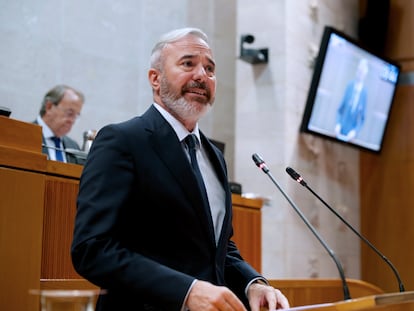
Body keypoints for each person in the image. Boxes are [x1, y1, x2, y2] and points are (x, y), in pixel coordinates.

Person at [71, 27, 290, 311]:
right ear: (155, 78)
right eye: (188, 64)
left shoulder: (214, 156)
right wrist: (186, 291)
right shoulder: (123, 141)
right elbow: (92, 249)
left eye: (210, 69)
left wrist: (253, 284)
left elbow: (218, 249)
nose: (202, 75)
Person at [34, 84, 84, 163]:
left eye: (76, 116)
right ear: (49, 107)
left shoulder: (74, 146)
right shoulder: (25, 136)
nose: (72, 121)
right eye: (70, 113)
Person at [334, 58, 369, 142]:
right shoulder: (350, 86)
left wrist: (355, 132)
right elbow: (340, 110)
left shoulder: (364, 93)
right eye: (359, 70)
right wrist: (338, 124)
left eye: (362, 71)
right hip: (340, 131)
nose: (360, 73)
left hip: (351, 137)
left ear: (365, 74)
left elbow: (362, 119)